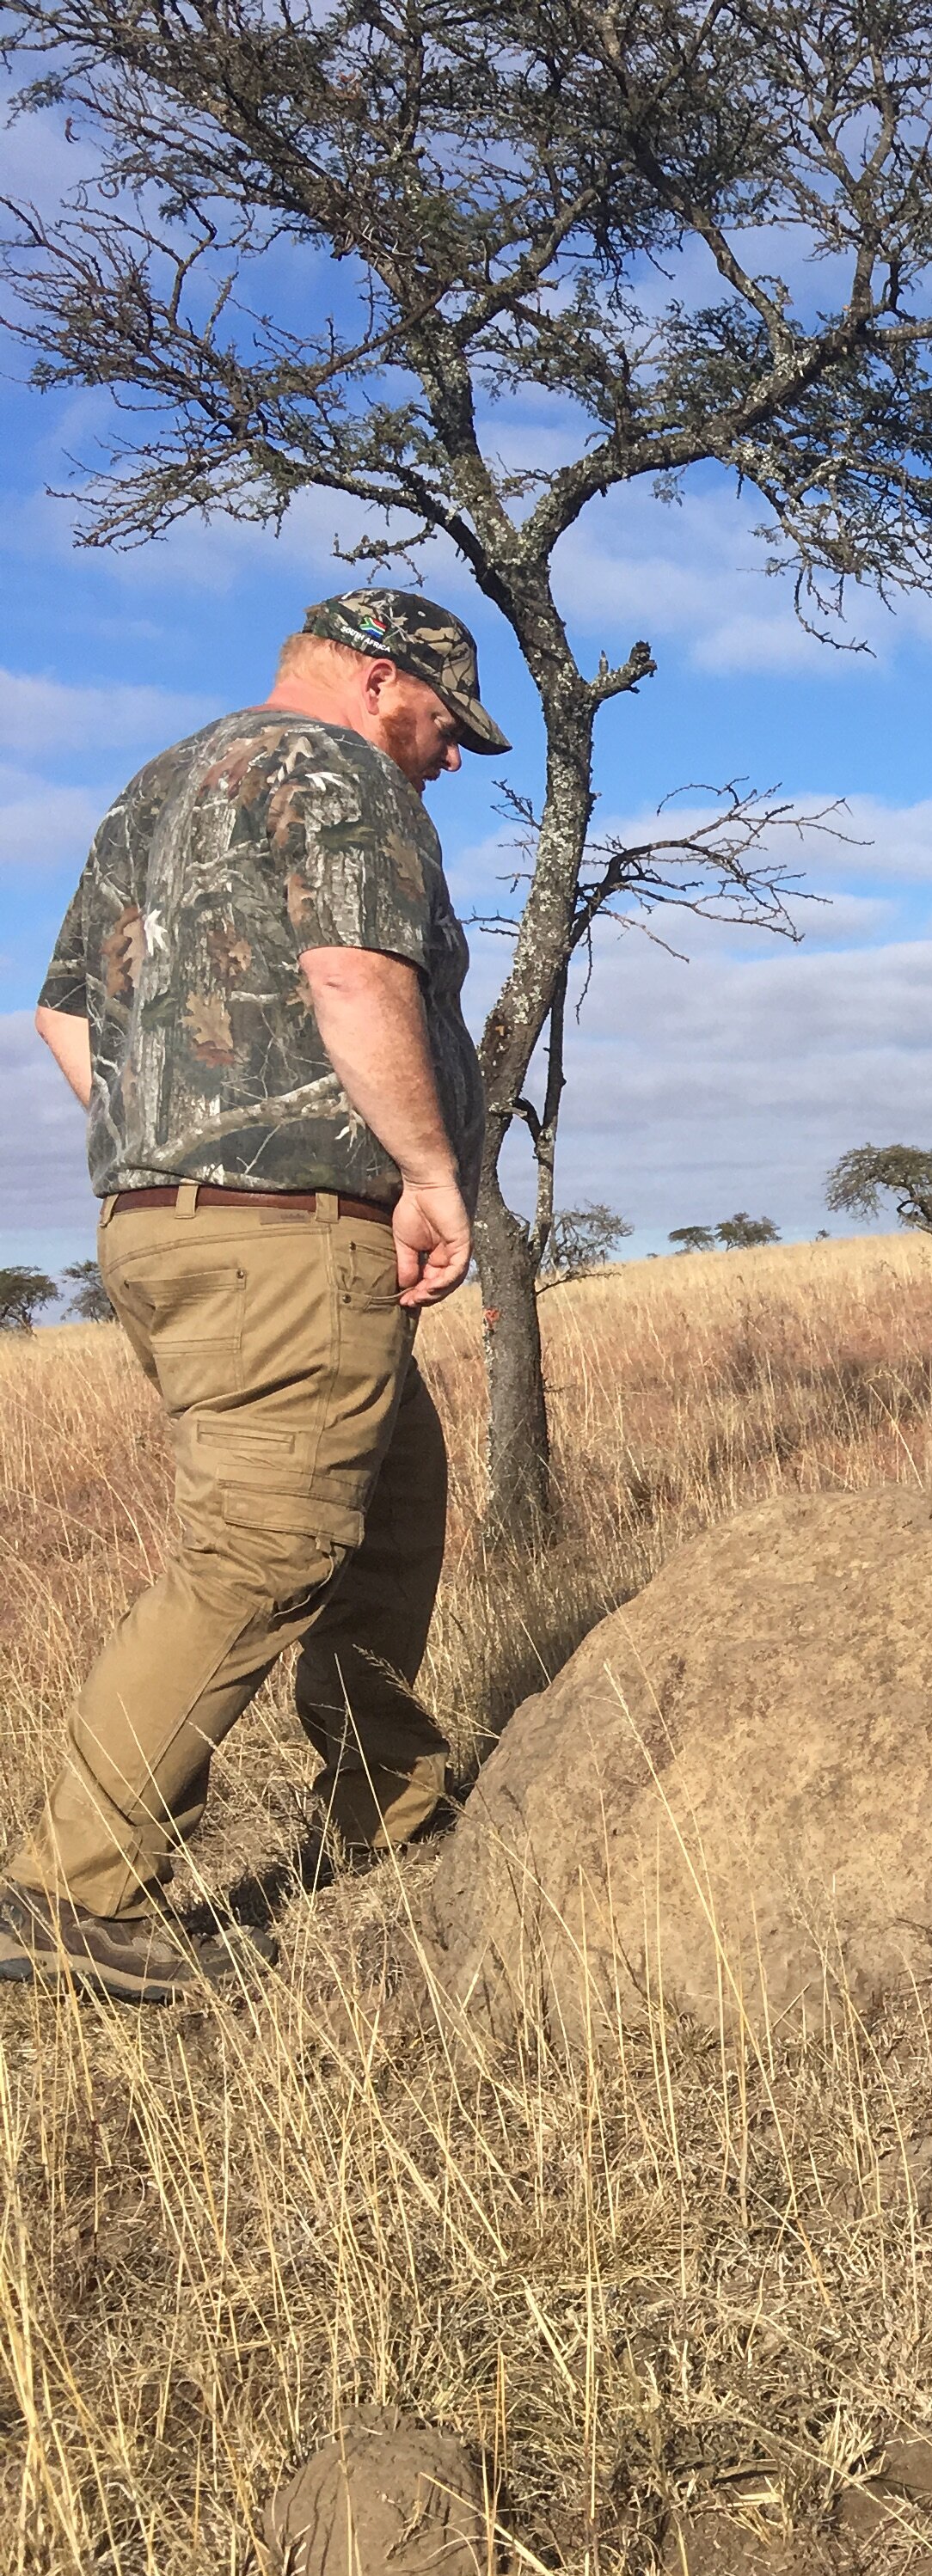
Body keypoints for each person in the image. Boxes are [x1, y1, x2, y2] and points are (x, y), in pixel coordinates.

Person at [5, 589, 505, 2003]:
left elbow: (59, 1006)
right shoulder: (333, 770)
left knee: (390, 1501)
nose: (449, 756)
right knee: (265, 1548)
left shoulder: (158, 785)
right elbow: (351, 970)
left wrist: (173, 1145)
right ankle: (66, 1894)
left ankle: (386, 1812)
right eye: (443, 720)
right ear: (376, 676)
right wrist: (430, 1172)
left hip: (180, 1226)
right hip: (289, 1232)